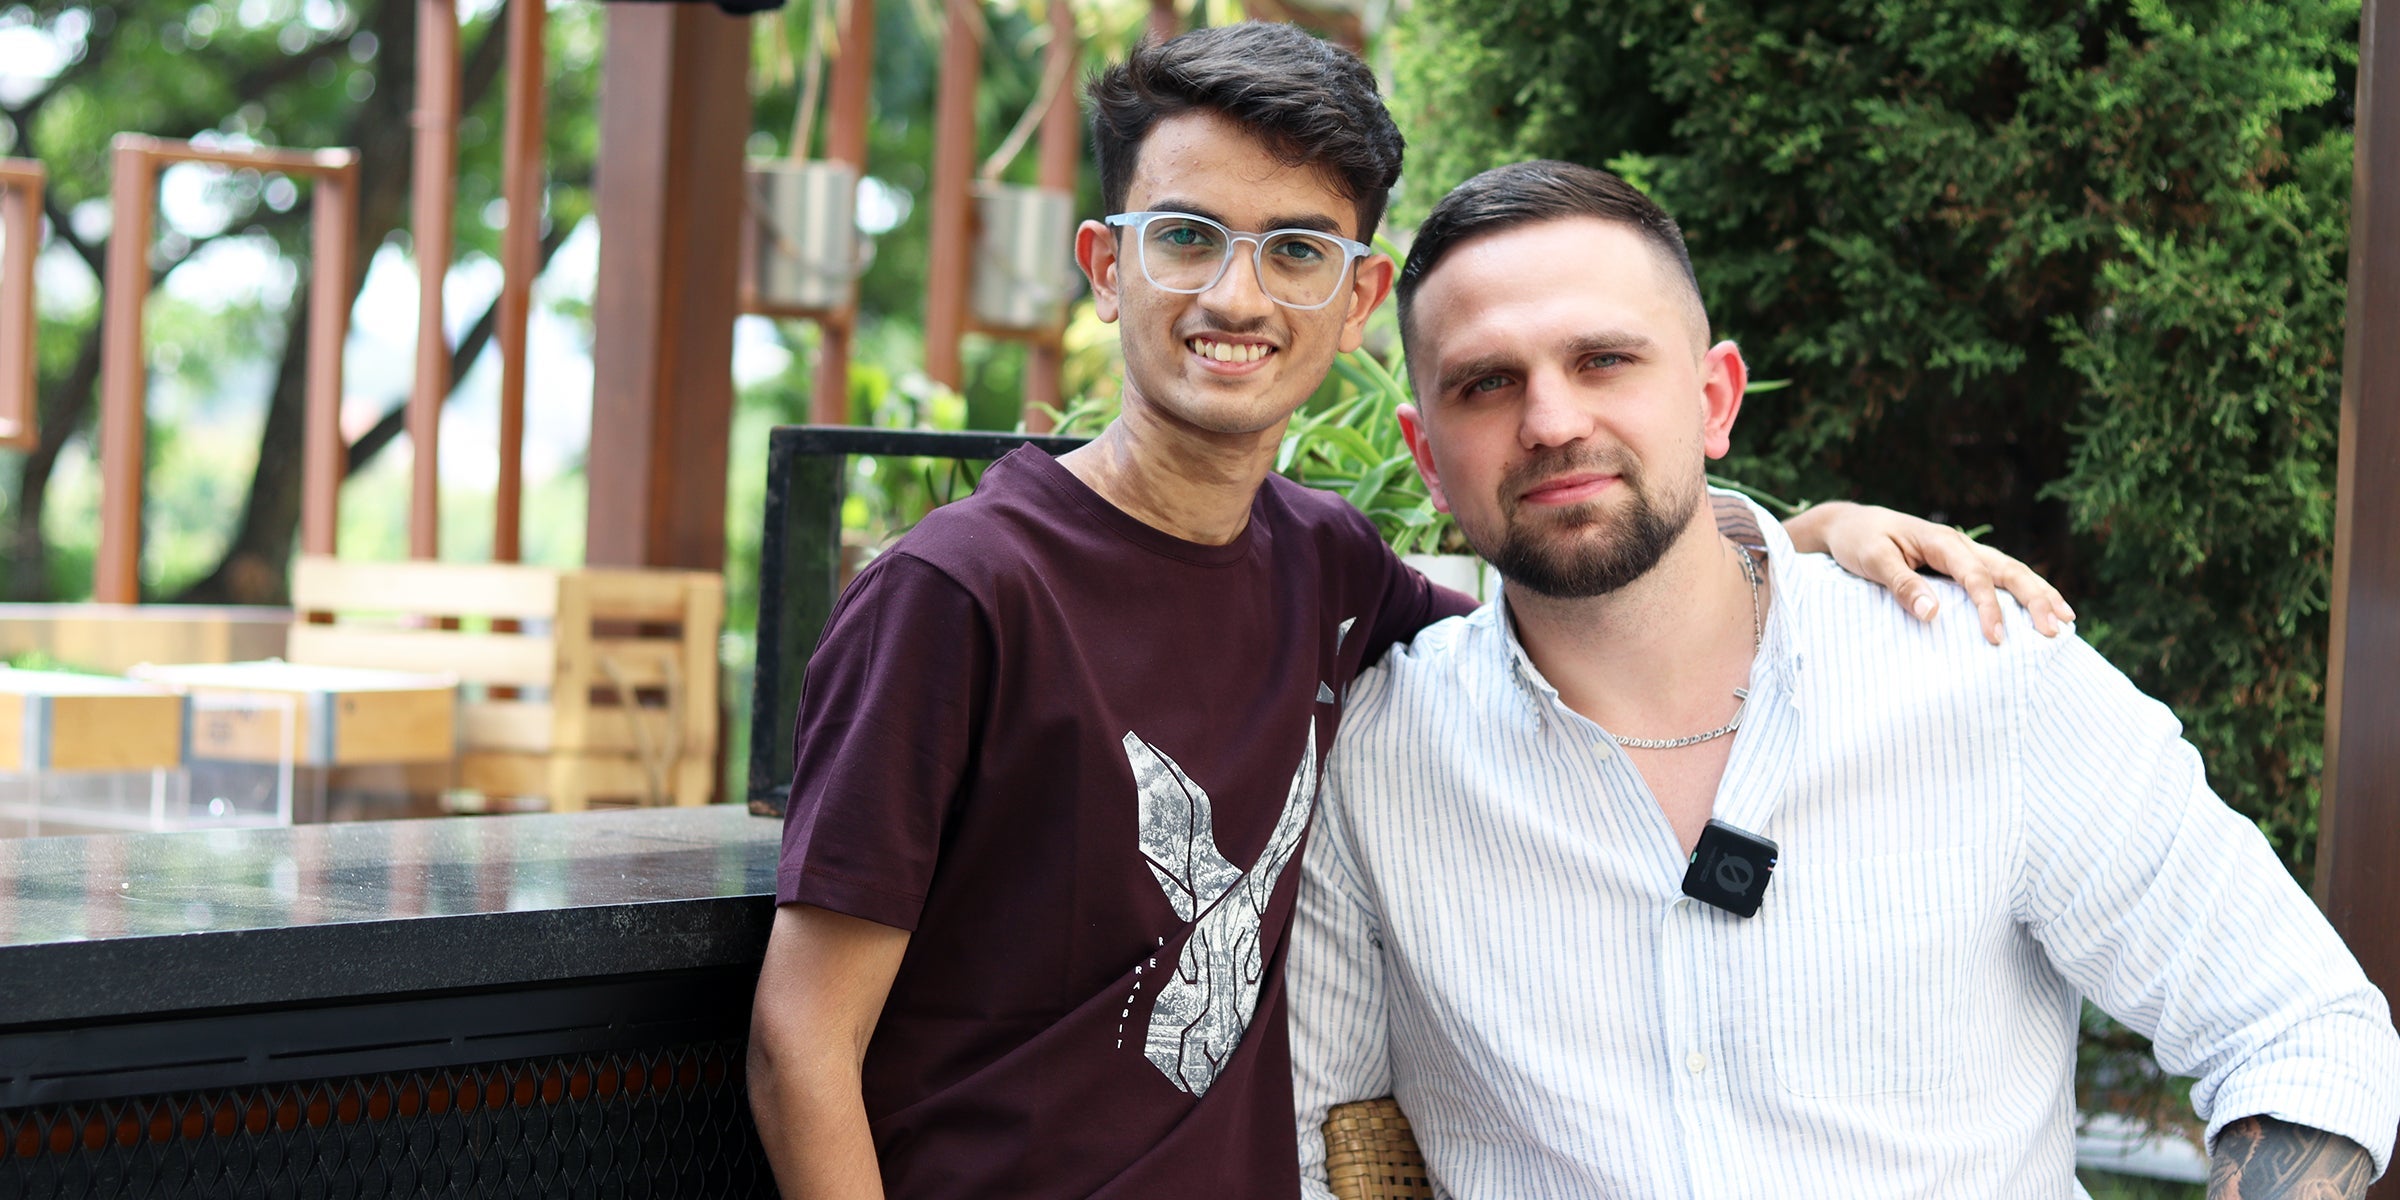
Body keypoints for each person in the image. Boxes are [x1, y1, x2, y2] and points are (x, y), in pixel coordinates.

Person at [745, 26, 2069, 1200]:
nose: (1235, 297)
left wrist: (1797, 539)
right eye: (1187, 236)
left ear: (1359, 299)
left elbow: (1574, 601)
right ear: (1107, 265)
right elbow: (799, 1040)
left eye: (1298, 251)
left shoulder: (1322, 565)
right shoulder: (958, 595)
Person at [1288, 158, 2400, 1198]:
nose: (1552, 420)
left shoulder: (1982, 677)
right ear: (1427, 457)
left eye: (1604, 360)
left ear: (1716, 398)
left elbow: (2299, 1029)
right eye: (1486, 384)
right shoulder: (1373, 760)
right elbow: (1320, 1135)